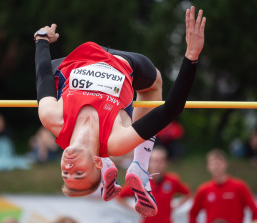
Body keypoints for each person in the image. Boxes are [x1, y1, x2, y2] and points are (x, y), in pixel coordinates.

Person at [34, 6, 205, 217]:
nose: (69, 166)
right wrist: (191, 56)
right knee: (155, 82)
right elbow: (171, 108)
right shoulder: (117, 140)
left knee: (51, 74)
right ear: (94, 163)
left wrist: (42, 39)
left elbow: (42, 74)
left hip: (75, 59)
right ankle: (140, 166)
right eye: (78, 173)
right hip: (124, 62)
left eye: (65, 173)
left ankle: (126, 168)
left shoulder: (52, 117)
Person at [117, 147, 191, 223]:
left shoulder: (172, 180)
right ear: (149, 162)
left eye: (161, 161)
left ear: (166, 163)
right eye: (155, 161)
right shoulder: (140, 181)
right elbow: (120, 196)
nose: (158, 164)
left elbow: (188, 193)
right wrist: (134, 209)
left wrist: (174, 206)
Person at [189, 149, 257, 223]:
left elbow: (255, 211)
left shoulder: (239, 186)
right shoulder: (204, 189)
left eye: (218, 163)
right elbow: (193, 213)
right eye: (213, 164)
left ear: (225, 164)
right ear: (208, 166)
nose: (216, 167)